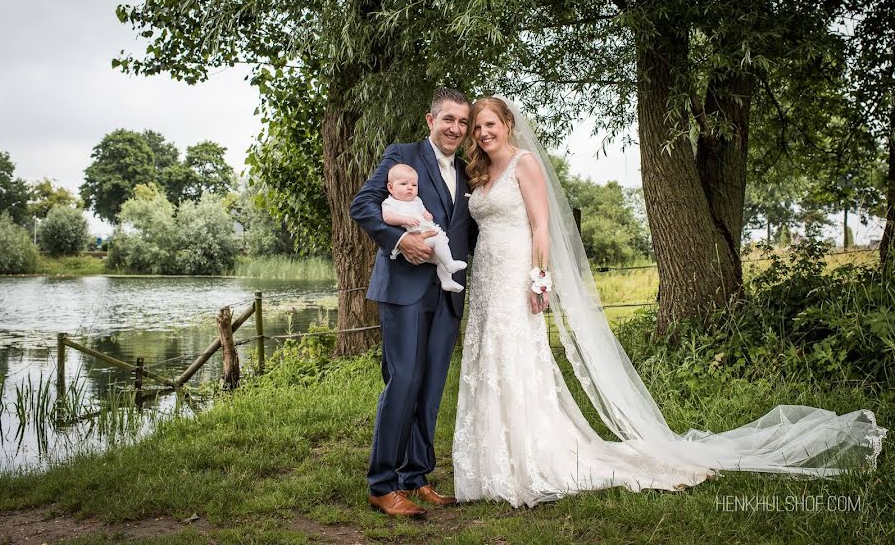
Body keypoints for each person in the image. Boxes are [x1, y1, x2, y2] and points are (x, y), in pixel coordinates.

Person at [453, 96, 886, 508]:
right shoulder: (480, 173)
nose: (484, 132)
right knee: (487, 361)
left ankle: (530, 458)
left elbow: (541, 226)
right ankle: (492, 462)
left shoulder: (524, 165)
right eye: (478, 127)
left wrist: (539, 278)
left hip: (517, 278)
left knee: (516, 360)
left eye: (490, 124)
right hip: (487, 281)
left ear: (508, 124)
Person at [350, 88, 478, 517]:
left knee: (430, 386)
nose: (456, 129)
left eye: (463, 123)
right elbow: (364, 204)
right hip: (403, 290)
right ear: (431, 120)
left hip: (447, 292)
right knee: (403, 380)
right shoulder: (401, 155)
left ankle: (416, 477)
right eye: (449, 120)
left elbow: (469, 231)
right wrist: (400, 239)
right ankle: (382, 484)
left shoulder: (466, 170)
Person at [381, 163, 468, 293]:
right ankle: (450, 264)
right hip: (415, 238)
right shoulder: (390, 203)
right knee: (438, 240)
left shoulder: (417, 200)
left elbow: (423, 212)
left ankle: (447, 281)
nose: (410, 188)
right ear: (391, 187)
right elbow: (387, 217)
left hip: (426, 234)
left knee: (440, 259)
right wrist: (404, 219)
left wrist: (427, 215)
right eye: (404, 184)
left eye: (414, 185)